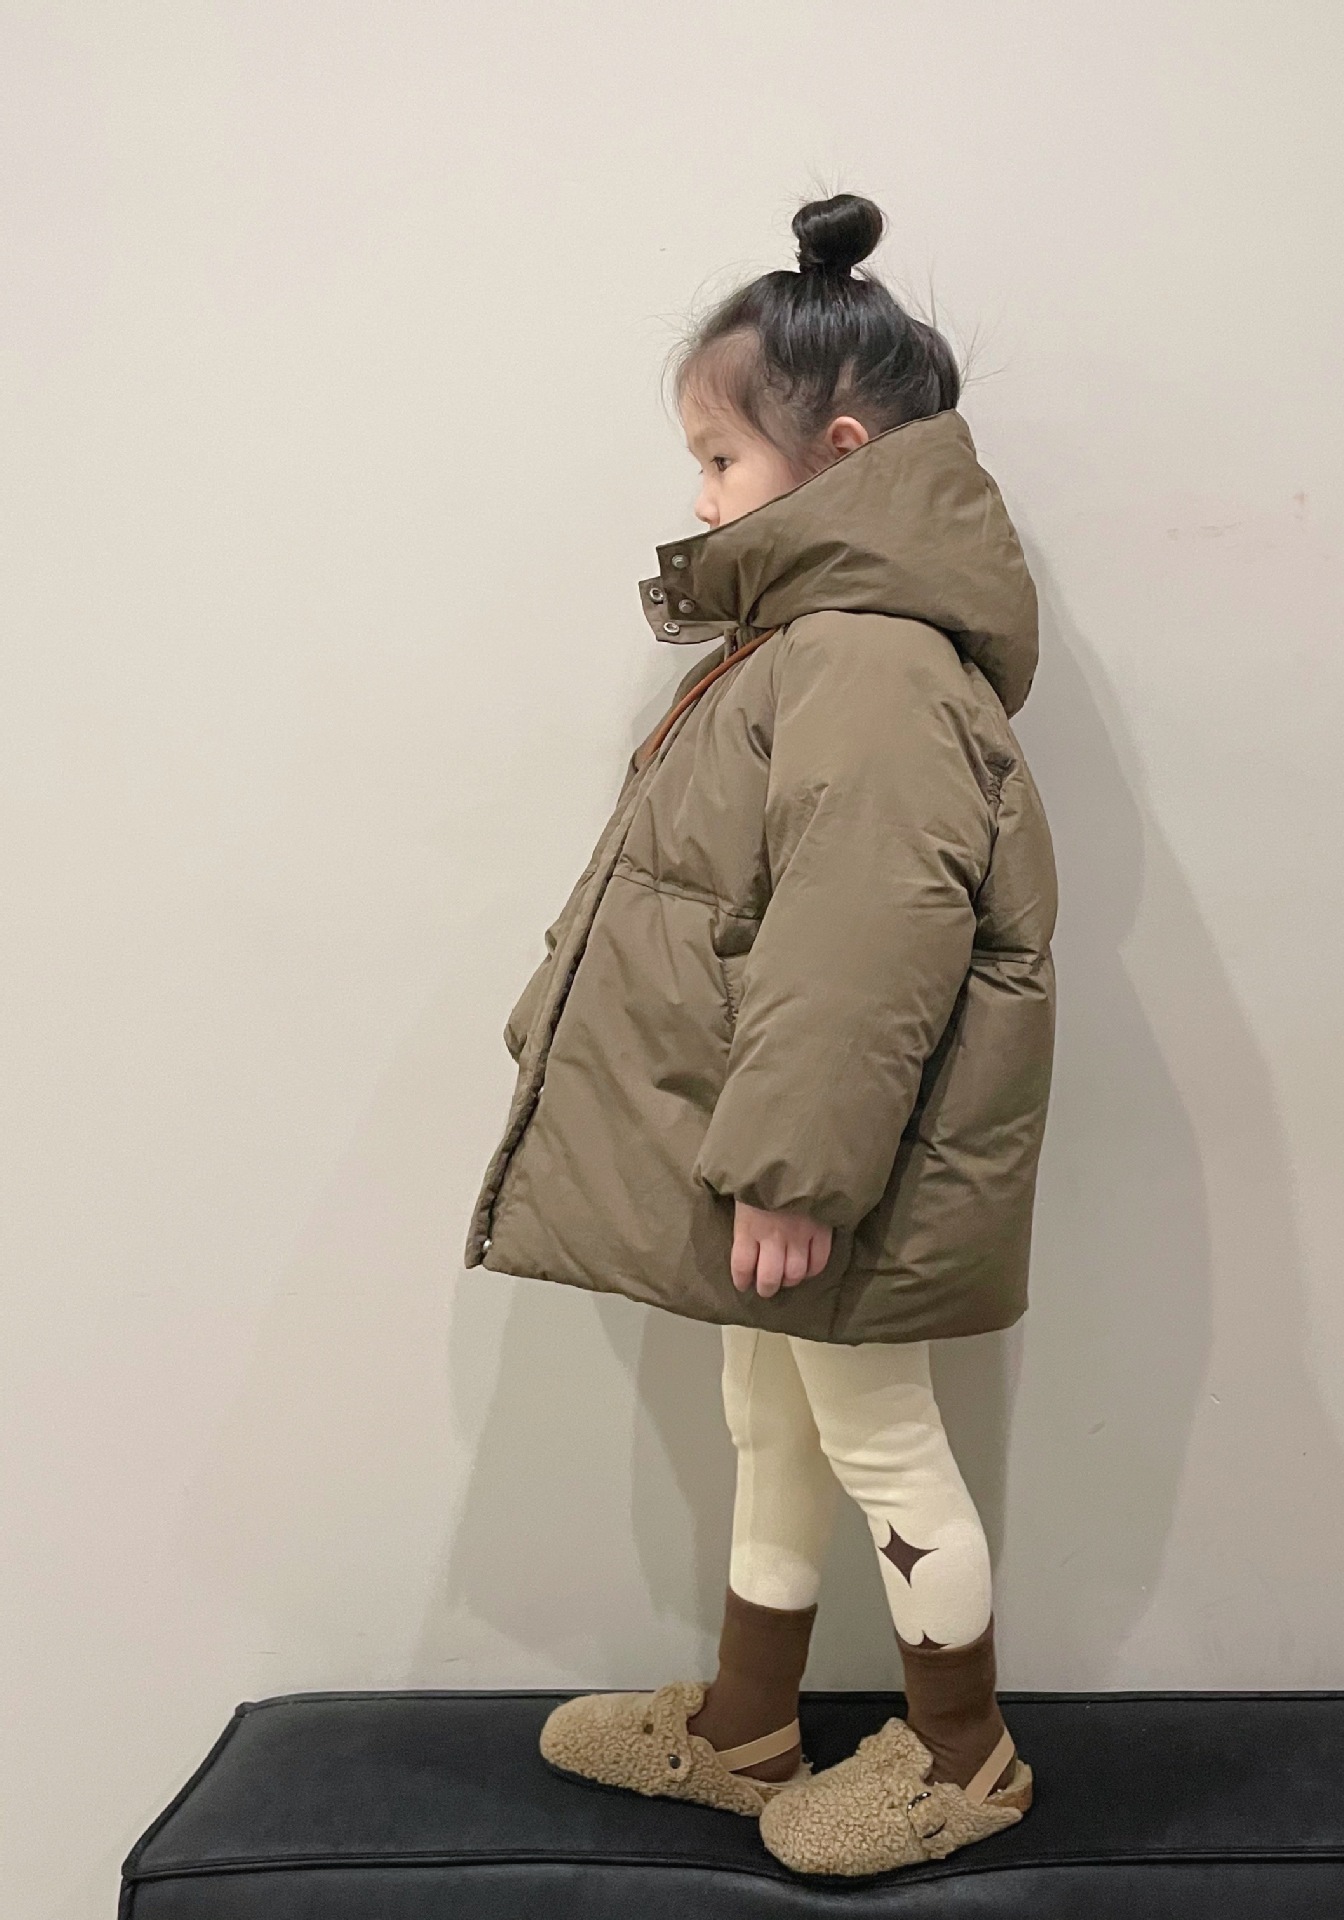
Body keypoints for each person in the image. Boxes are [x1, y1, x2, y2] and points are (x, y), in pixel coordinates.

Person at [464, 192, 1057, 1877]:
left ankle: (964, 1756)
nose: (702, 499)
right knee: (770, 1418)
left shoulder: (864, 657)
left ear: (839, 457)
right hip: (775, 1158)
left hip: (836, 1170)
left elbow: (863, 934)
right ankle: (747, 1725)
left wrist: (795, 1169)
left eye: (721, 460)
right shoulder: (800, 646)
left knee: (878, 1434)